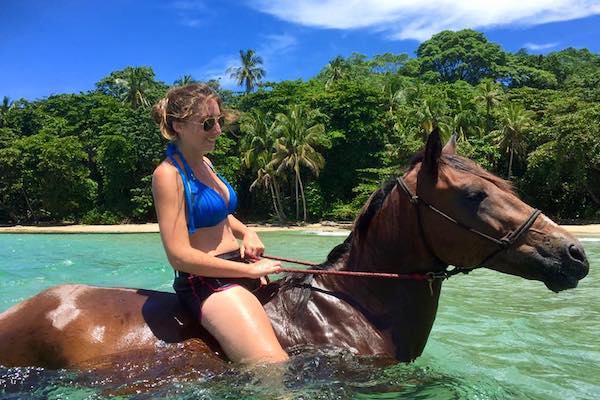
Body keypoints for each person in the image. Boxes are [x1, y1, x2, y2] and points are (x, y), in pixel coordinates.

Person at [151, 83, 288, 364]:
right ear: (178, 125)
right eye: (207, 124)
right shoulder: (168, 175)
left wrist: (247, 232)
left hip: (237, 266)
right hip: (205, 281)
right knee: (272, 366)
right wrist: (247, 271)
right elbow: (179, 256)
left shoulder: (206, 164)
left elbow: (221, 214)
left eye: (219, 121)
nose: (218, 131)